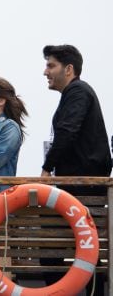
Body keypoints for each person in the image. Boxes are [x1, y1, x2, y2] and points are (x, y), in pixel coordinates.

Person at [39, 44, 111, 292]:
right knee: (67, 248)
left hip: (83, 186)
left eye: (51, 65)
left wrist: (46, 170)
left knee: (55, 249)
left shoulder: (78, 92)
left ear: (68, 69)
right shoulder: (74, 94)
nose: (45, 71)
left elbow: (67, 132)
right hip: (77, 185)